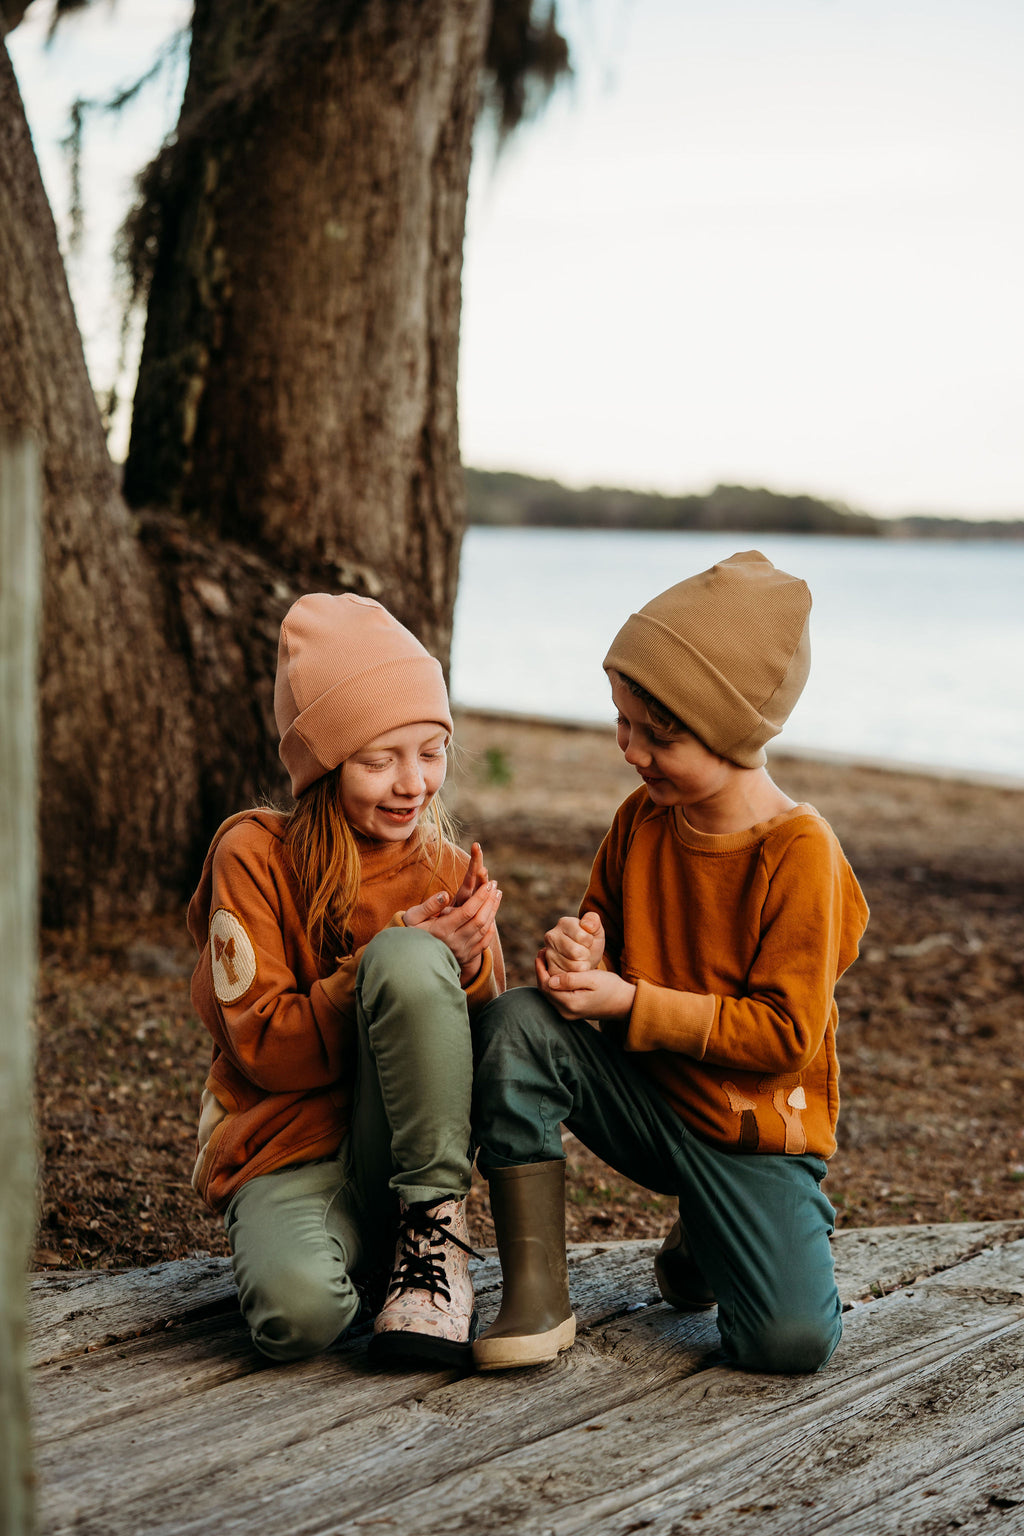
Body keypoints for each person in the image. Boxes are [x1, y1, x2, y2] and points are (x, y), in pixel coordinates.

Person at [471, 551, 869, 1375]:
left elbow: (784, 1034)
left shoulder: (799, 853)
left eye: (661, 736)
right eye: (623, 722)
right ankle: (538, 1293)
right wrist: (581, 952)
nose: (633, 750)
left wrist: (625, 1001)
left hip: (751, 1134)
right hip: (647, 1098)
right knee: (513, 1025)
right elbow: (601, 921)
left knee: (787, 1344)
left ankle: (714, 1234)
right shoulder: (644, 818)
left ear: (733, 735)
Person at [187, 592, 504, 1368]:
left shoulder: (443, 866)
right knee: (298, 1320)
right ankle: (363, 1261)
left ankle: (432, 1233)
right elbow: (267, 1050)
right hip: (285, 1146)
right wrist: (372, 965)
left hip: (399, 1155)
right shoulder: (253, 857)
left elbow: (481, 1059)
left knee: (409, 958)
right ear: (323, 764)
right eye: (378, 759)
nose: (412, 784)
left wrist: (467, 966)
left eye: (431, 751)